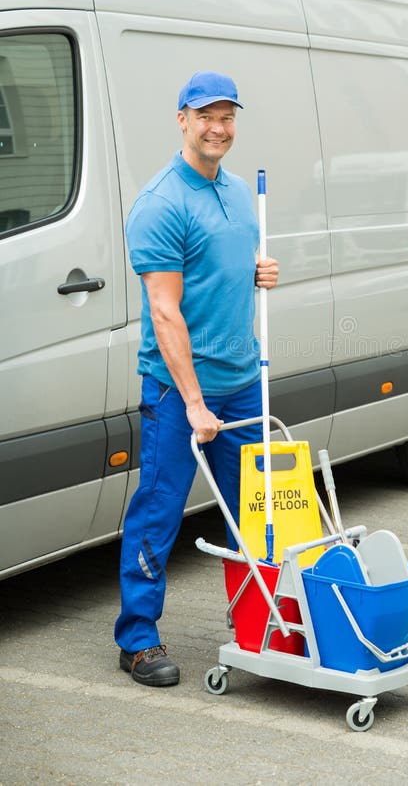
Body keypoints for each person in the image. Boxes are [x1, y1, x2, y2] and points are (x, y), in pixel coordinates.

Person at [115, 71, 279, 687]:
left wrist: (258, 271)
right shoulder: (161, 203)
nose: (218, 128)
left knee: (256, 513)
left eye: (227, 116)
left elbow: (222, 269)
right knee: (158, 511)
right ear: (182, 119)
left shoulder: (236, 192)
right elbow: (165, 312)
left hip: (242, 381)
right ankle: (137, 639)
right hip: (177, 392)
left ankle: (258, 624)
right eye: (206, 116)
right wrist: (192, 402)